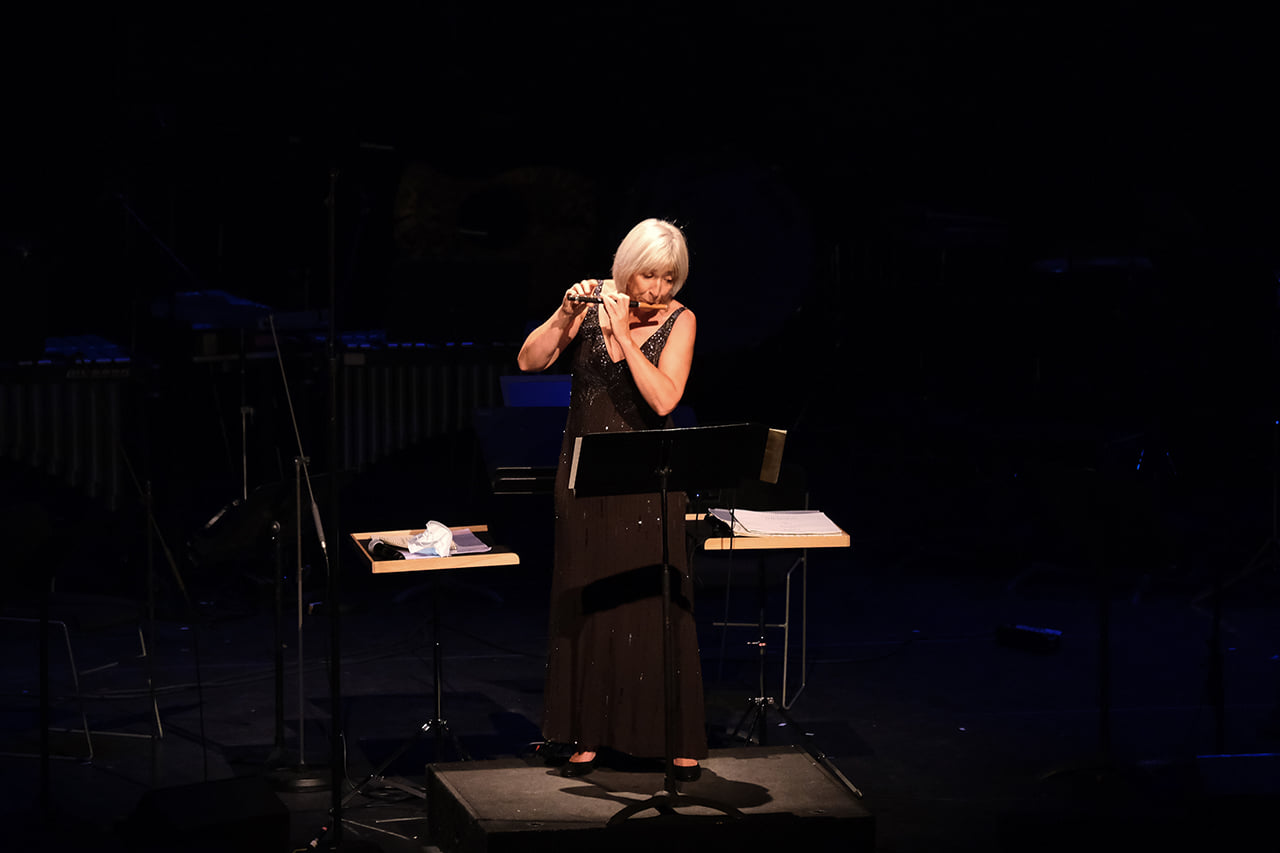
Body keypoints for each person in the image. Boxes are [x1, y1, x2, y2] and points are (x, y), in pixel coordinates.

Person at [517, 218, 705, 780]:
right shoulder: (591, 303)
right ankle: (587, 731)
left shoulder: (681, 320)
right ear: (627, 269)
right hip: (584, 477)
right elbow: (529, 362)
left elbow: (664, 400)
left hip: (648, 483)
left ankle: (674, 737)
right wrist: (564, 315)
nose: (658, 290)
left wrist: (623, 334)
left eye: (669, 278)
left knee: (655, 604)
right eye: (649, 276)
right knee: (588, 601)